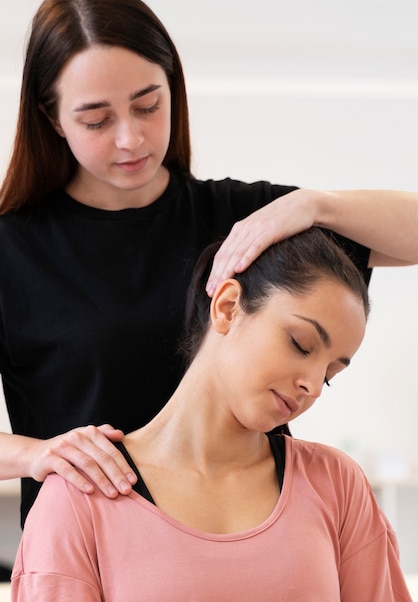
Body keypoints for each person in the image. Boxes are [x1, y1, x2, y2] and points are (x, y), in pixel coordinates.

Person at [1, 0, 418, 528]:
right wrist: (34, 454)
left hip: (255, 531)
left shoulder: (243, 222)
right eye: (97, 120)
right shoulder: (14, 247)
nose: (131, 138)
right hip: (94, 541)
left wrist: (315, 206)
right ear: (53, 119)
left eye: (148, 105)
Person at [10, 228, 412, 601]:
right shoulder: (80, 497)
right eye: (301, 344)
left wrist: (312, 204)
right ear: (228, 306)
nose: (310, 383)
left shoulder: (337, 485)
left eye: (329, 375)